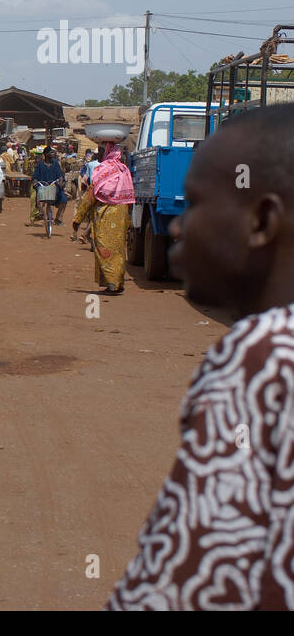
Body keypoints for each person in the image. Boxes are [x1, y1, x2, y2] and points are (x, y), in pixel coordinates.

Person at [108, 105, 294, 609]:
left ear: (261, 221)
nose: (175, 228)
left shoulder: (266, 358)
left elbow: (188, 577)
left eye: (195, 204)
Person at [70, 142, 134, 293]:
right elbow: (130, 196)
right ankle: (118, 283)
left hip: (106, 216)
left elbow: (91, 196)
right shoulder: (124, 170)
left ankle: (112, 284)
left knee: (104, 248)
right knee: (118, 250)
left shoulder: (102, 169)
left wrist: (77, 219)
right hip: (122, 214)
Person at [30, 147, 68, 227]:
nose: (53, 154)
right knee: (39, 199)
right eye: (51, 152)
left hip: (54, 187)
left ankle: (58, 219)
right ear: (46, 154)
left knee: (64, 200)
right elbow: (35, 176)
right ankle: (41, 214)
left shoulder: (55, 163)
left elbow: (60, 174)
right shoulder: (40, 165)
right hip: (43, 187)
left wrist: (61, 181)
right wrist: (35, 182)